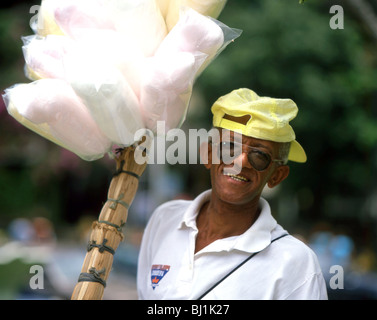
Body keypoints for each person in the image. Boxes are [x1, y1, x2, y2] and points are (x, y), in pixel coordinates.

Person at [137, 88, 328, 300]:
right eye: (230, 146)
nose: (241, 161)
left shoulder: (297, 265)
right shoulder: (165, 219)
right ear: (208, 154)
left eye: (260, 155)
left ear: (277, 176)